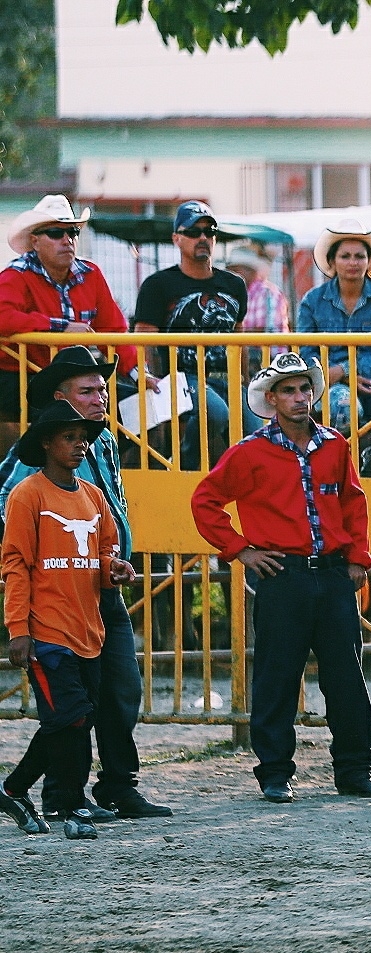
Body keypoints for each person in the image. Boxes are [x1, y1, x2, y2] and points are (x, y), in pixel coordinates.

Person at [190, 352, 371, 804]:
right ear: (272, 399)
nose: (299, 398)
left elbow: (353, 503)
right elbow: (205, 501)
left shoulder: (335, 445)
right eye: (288, 390)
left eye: (304, 388)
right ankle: (275, 773)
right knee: (277, 677)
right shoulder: (249, 453)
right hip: (284, 576)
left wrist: (358, 557)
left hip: (333, 573)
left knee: (346, 678)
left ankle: (355, 770)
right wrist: (241, 550)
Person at [0, 347, 173, 821]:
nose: (101, 397)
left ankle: (113, 786)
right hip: (55, 595)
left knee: (115, 694)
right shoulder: (29, 468)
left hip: (99, 589)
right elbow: (12, 523)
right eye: (88, 390)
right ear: (61, 397)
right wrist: (51, 564)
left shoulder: (103, 444)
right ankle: (63, 795)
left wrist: (110, 562)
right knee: (79, 704)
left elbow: (107, 511)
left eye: (102, 388)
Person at [1, 402, 135, 839]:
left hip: (89, 629)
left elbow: (104, 556)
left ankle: (16, 790)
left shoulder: (94, 496)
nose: (80, 446)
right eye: (69, 438)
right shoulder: (28, 494)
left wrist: (115, 571)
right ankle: (71, 805)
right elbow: (15, 564)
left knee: (73, 718)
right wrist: (19, 630)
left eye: (84, 438)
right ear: (46, 443)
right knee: (72, 717)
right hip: (46, 631)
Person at [0, 195, 141, 452]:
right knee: (73, 405)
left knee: (141, 405)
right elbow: (3, 318)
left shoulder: (91, 274)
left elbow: (114, 329)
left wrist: (139, 375)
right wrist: (60, 327)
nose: (67, 240)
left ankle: (115, 472)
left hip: (70, 379)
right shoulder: (15, 275)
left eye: (73, 232)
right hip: (21, 376)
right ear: (35, 241)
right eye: (56, 232)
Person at [132, 200, 250, 468]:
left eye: (209, 232)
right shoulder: (158, 285)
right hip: (181, 377)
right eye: (193, 232)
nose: (203, 238)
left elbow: (239, 336)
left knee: (256, 427)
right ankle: (182, 464)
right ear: (177, 238)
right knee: (216, 413)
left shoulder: (234, 284)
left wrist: (244, 380)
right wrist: (153, 379)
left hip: (226, 377)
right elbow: (143, 338)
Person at [295, 219, 371, 471]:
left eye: (359, 256)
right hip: (331, 383)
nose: (353, 262)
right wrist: (338, 375)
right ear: (332, 261)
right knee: (343, 409)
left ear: (369, 261)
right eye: (345, 256)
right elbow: (307, 356)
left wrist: (347, 370)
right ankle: (339, 474)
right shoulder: (312, 301)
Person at [226, 243, 291, 370]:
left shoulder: (268, 293)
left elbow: (265, 331)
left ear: (250, 270)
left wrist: (233, 336)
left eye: (235, 270)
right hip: (249, 355)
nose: (231, 274)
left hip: (270, 359)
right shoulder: (238, 294)